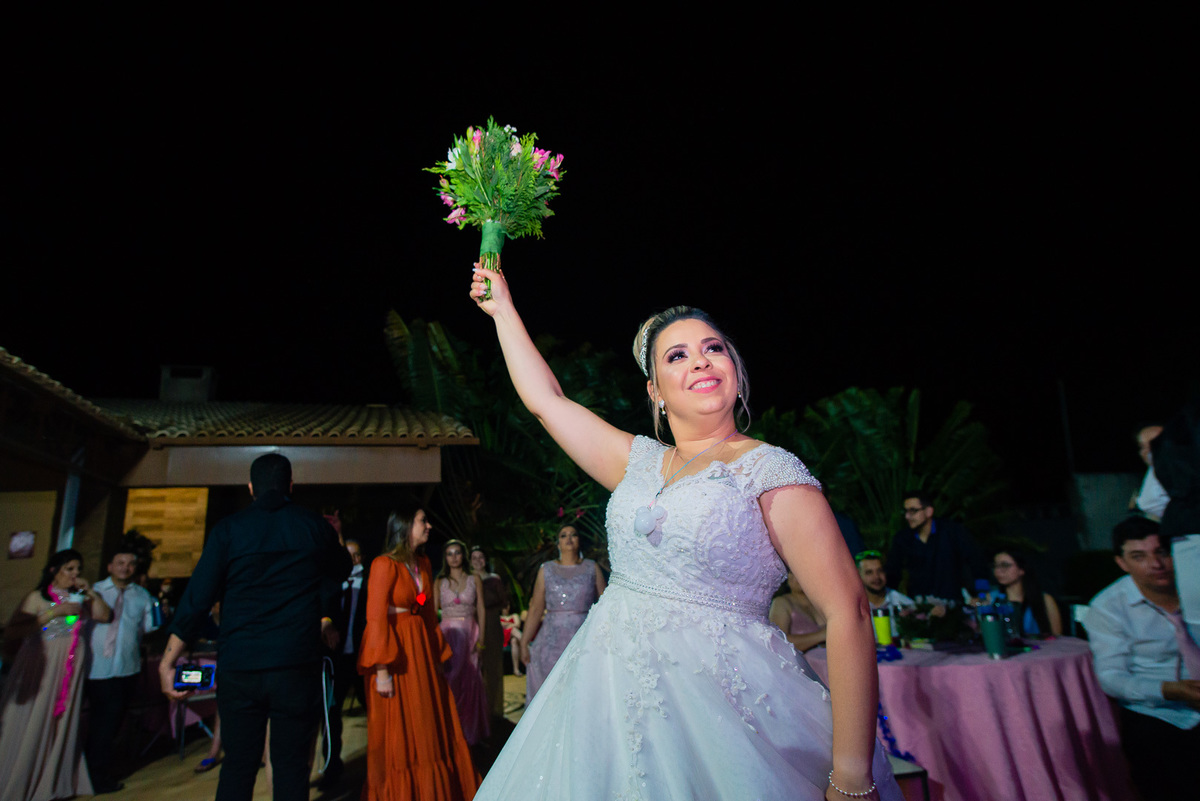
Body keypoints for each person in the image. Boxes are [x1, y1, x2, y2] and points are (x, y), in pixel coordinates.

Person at [468, 266, 900, 800]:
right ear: (655, 391)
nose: (699, 359)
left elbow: (849, 612)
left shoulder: (770, 471)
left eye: (713, 348)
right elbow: (547, 401)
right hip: (599, 707)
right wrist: (503, 309)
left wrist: (852, 777)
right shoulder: (637, 463)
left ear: (734, 369)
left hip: (725, 717)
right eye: (677, 355)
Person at [159, 453, 351, 801]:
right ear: (291, 486)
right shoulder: (312, 526)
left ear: (251, 488)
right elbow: (341, 568)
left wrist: (168, 658)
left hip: (241, 666)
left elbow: (198, 597)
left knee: (238, 765)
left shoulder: (228, 530)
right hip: (294, 665)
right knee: (291, 766)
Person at [359, 508, 480, 801]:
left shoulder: (423, 564)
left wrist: (436, 656)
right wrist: (382, 671)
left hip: (421, 652)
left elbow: (423, 606)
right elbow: (375, 618)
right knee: (401, 729)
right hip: (395, 655)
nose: (428, 525)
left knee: (428, 724)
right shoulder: (383, 565)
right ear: (404, 525)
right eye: (422, 520)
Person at [1085, 517, 1200, 798]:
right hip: (1157, 710)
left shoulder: (1193, 584)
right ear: (1122, 563)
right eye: (1139, 557)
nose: (1156, 565)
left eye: (1161, 552)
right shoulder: (1108, 607)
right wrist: (1168, 690)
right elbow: (1111, 677)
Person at [0, 549, 112, 800]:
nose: (75, 575)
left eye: (78, 570)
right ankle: (22, 777)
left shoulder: (79, 597)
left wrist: (90, 593)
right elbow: (13, 632)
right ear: (54, 570)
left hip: (70, 666)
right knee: (37, 716)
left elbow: (105, 616)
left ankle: (53, 778)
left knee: (62, 720)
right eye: (69, 569)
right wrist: (53, 612)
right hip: (44, 665)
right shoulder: (36, 597)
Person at [84, 540, 161, 793]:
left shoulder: (142, 596)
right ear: (109, 566)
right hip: (96, 668)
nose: (125, 568)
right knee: (100, 723)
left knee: (113, 722)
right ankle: (94, 776)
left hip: (127, 668)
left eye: (130, 564)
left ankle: (100, 770)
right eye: (120, 563)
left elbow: (150, 627)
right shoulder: (93, 591)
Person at [520, 524, 605, 702]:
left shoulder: (591, 567)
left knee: (580, 690)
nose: (569, 538)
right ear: (558, 543)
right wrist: (524, 641)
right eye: (563, 535)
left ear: (579, 541)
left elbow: (605, 604)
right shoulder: (546, 569)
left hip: (583, 637)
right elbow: (536, 608)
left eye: (573, 535)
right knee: (552, 694)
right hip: (550, 642)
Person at [319, 526, 368, 790]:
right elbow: (321, 609)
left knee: (373, 710)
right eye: (345, 555)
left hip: (363, 657)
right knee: (331, 713)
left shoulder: (370, 582)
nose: (350, 560)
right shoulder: (331, 582)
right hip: (336, 657)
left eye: (354, 555)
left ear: (360, 558)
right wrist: (326, 622)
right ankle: (331, 768)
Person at [434, 539, 490, 746]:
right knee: (449, 681)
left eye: (457, 552)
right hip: (447, 635)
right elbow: (432, 613)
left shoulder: (474, 579)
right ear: (445, 558)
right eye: (450, 553)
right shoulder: (439, 582)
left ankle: (470, 731)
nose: (454, 557)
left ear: (463, 556)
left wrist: (482, 638)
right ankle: (450, 732)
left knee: (471, 681)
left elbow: (482, 609)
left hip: (470, 634)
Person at [888, 490, 983, 600]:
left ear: (929, 511)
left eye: (913, 511)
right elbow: (893, 571)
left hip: (952, 603)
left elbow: (976, 561)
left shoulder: (952, 532)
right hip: (919, 606)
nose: (907, 516)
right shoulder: (902, 538)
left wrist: (980, 594)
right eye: (905, 511)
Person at [470, 545, 508, 720]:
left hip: (492, 625)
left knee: (493, 667)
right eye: (474, 557)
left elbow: (504, 602)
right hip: (472, 623)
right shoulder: (467, 580)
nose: (478, 561)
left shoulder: (494, 579)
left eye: (481, 557)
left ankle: (493, 710)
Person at [990, 550, 1062, 637]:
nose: (998, 571)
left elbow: (1057, 636)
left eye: (1005, 565)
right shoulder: (991, 598)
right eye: (995, 566)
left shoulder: (1044, 599)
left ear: (1022, 569)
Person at [854, 551, 914, 639]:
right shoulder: (853, 606)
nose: (876, 577)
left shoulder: (903, 603)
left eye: (880, 571)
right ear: (858, 576)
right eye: (869, 572)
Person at [770, 571, 828, 652]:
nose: (797, 577)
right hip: (807, 662)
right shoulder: (782, 602)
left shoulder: (823, 602)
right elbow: (778, 641)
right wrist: (821, 636)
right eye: (792, 573)